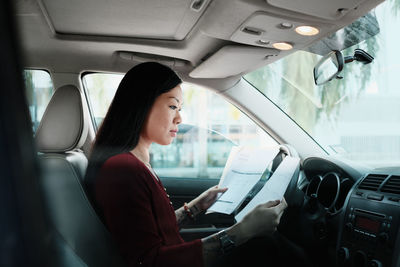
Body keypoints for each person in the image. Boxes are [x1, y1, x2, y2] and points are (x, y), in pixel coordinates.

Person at [85, 62, 290, 267]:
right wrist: (240, 232)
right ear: (142, 103)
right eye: (173, 106)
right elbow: (149, 261)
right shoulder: (123, 169)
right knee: (266, 247)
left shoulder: (132, 164)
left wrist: (196, 207)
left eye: (180, 108)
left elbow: (152, 230)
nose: (180, 118)